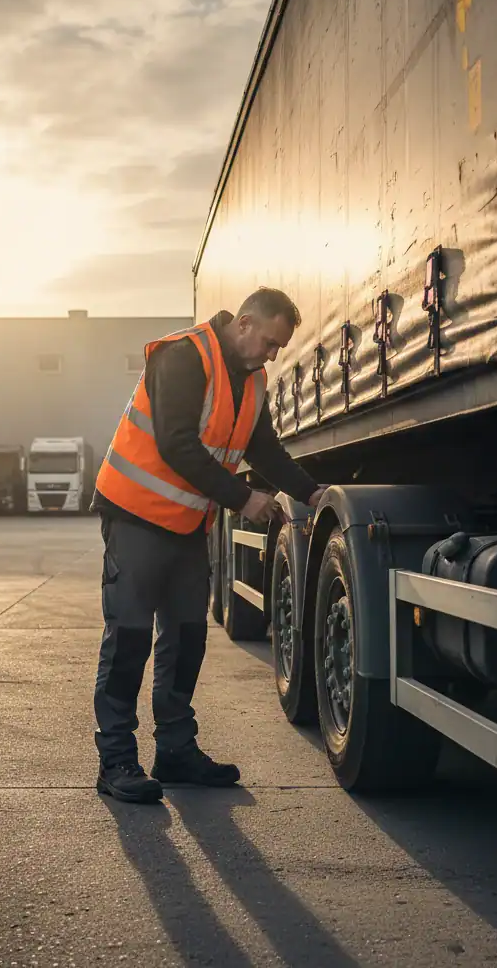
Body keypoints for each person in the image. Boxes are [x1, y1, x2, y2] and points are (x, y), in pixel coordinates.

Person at [90, 286, 325, 803]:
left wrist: (312, 493)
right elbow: (176, 443)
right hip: (134, 515)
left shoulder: (253, 379)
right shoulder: (184, 356)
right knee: (129, 639)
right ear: (244, 323)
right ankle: (116, 761)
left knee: (186, 639)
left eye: (279, 347)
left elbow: (265, 450)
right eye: (269, 342)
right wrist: (243, 499)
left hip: (185, 525)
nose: (272, 355)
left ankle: (175, 751)